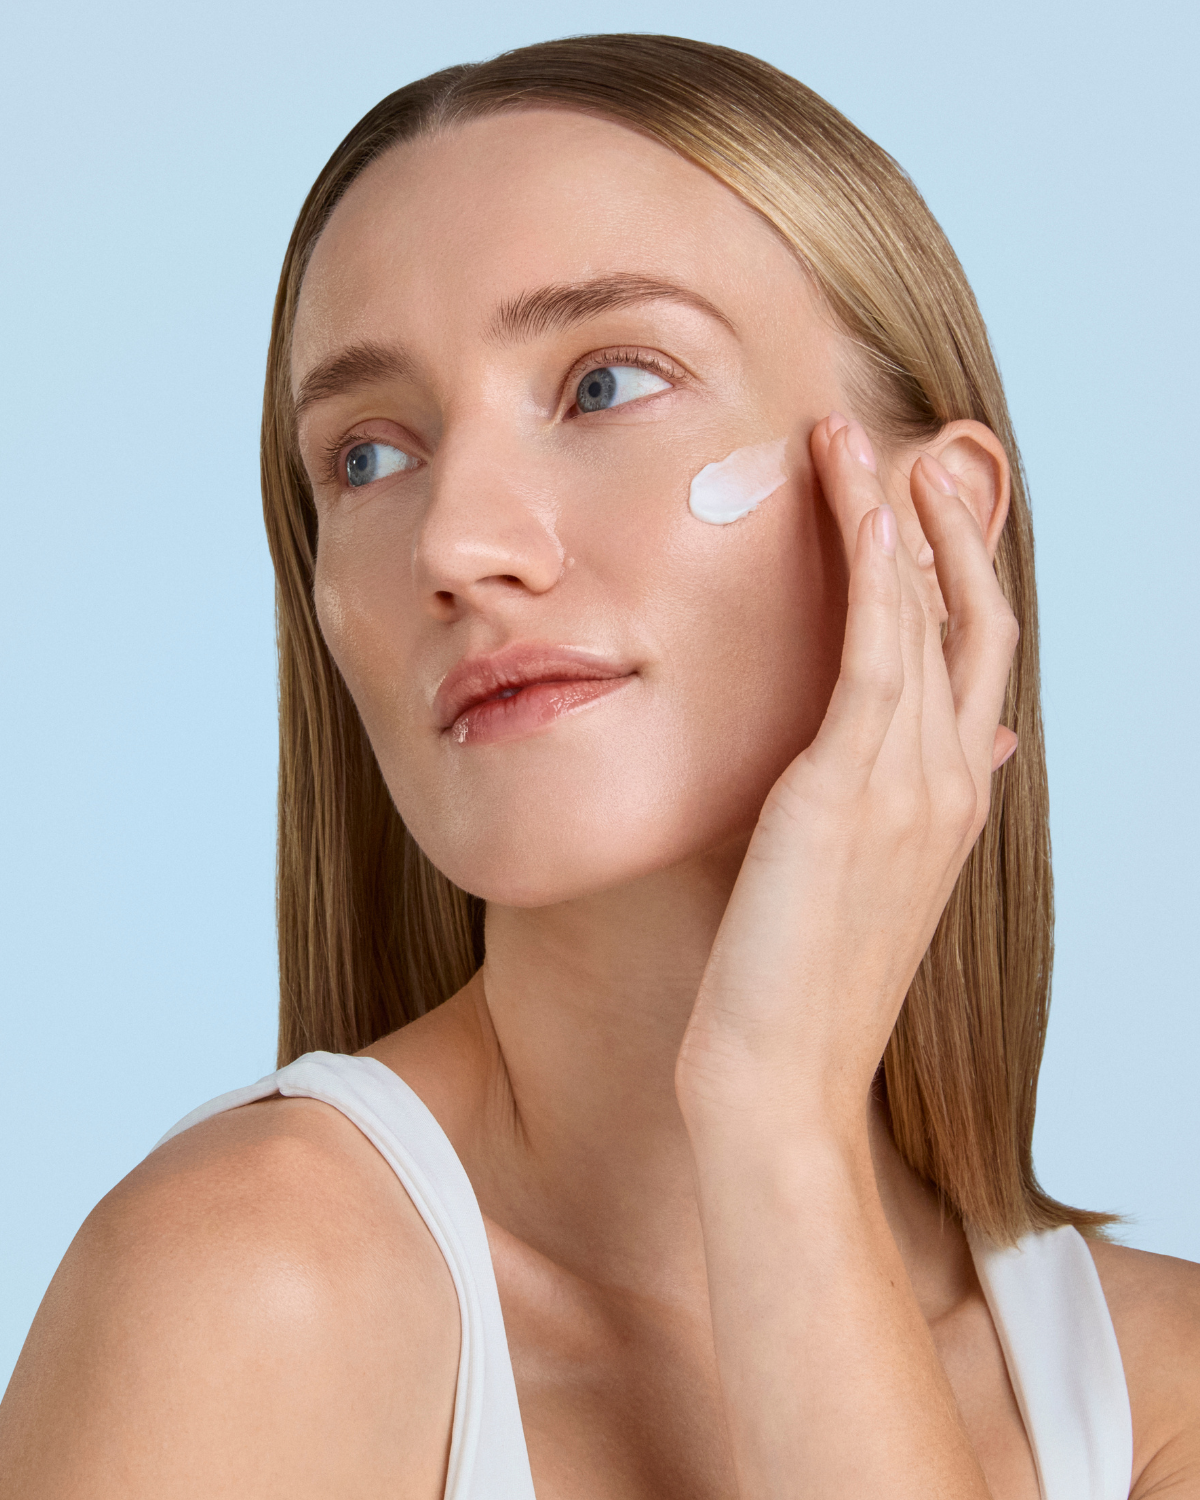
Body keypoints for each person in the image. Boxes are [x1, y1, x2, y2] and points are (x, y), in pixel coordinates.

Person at [1, 32, 1197, 1500]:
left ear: (937, 522)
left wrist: (777, 1124)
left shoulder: (1161, 1396)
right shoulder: (252, 1292)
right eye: (367, 456)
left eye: (608, 383)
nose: (456, 544)